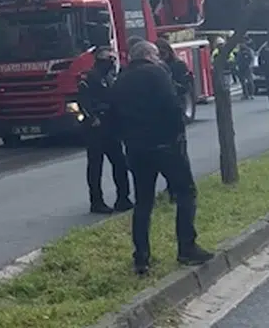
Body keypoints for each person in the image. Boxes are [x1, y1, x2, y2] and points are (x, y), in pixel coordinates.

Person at [108, 40, 214, 275]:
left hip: (136, 149)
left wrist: (127, 140)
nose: (158, 59)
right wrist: (177, 136)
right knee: (186, 192)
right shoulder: (157, 73)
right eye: (156, 55)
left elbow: (112, 117)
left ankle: (141, 258)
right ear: (149, 55)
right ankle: (187, 247)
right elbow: (172, 107)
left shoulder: (121, 79)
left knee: (143, 203)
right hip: (164, 145)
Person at [77, 45, 132, 214]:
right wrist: (92, 118)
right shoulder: (90, 77)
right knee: (96, 165)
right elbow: (83, 101)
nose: (112, 62)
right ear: (101, 59)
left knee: (120, 163)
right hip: (96, 127)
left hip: (111, 126)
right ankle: (96, 201)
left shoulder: (109, 77)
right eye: (110, 58)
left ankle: (123, 198)